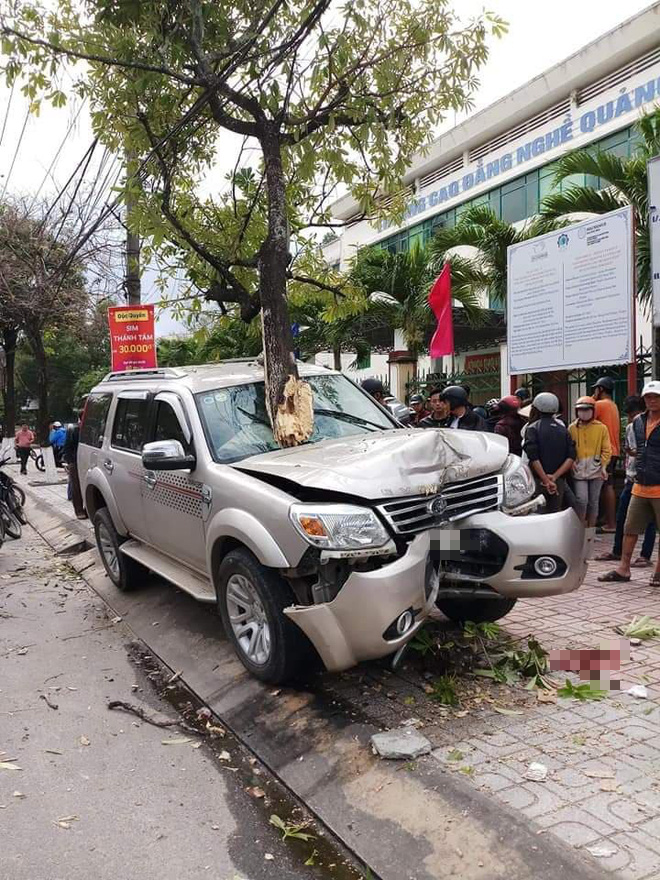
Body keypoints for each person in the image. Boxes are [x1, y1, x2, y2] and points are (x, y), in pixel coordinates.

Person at [599, 381, 660, 585]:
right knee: (629, 529)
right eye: (649, 397)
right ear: (644, 400)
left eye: (656, 397)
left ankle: (658, 574)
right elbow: (635, 450)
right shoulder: (638, 423)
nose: (652, 400)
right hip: (639, 485)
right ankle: (623, 569)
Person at [523, 393, 576, 513]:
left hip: (537, 480)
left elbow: (533, 457)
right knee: (555, 512)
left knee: (538, 514)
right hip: (558, 481)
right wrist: (554, 477)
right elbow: (571, 457)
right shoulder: (563, 429)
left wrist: (545, 480)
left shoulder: (532, 428)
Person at [568, 396, 611, 527]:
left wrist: (603, 466)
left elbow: (607, 449)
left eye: (587, 410)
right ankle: (580, 527)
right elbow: (568, 448)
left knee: (594, 501)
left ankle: (591, 529)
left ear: (593, 411)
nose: (584, 412)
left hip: (596, 470)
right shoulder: (572, 428)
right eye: (581, 410)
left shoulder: (601, 428)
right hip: (578, 470)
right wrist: (572, 463)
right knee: (581, 500)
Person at [592, 376, 620, 532]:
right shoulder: (612, 405)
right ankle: (605, 519)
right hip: (613, 450)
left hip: (604, 452)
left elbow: (584, 414)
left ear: (600, 389)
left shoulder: (599, 404)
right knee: (606, 485)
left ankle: (611, 524)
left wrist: (592, 398)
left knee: (606, 485)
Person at [63, 421, 86, 519]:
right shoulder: (73, 431)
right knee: (76, 486)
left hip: (86, 461)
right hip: (75, 461)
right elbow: (67, 447)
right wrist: (70, 462)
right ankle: (79, 510)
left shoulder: (90, 430)